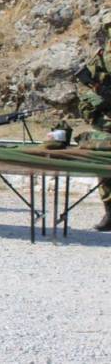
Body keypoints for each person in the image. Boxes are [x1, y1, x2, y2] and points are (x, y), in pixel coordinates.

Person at [76, 13, 111, 232]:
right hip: (106, 121)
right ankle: (110, 212)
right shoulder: (102, 55)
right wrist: (96, 92)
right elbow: (95, 82)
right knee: (104, 167)